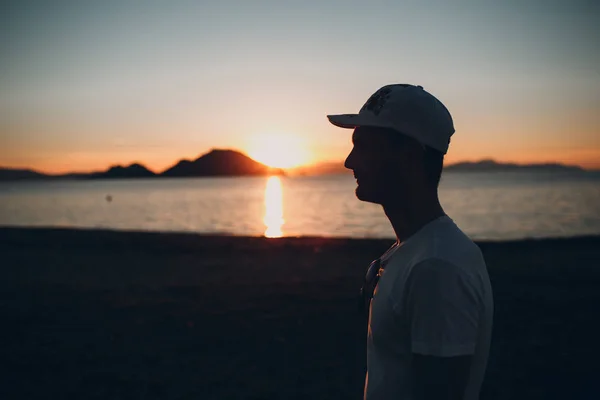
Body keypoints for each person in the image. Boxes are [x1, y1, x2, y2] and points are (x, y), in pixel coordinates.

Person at [327, 84, 493, 400]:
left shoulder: (437, 267)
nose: (349, 162)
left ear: (409, 156)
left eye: (362, 147)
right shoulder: (411, 252)